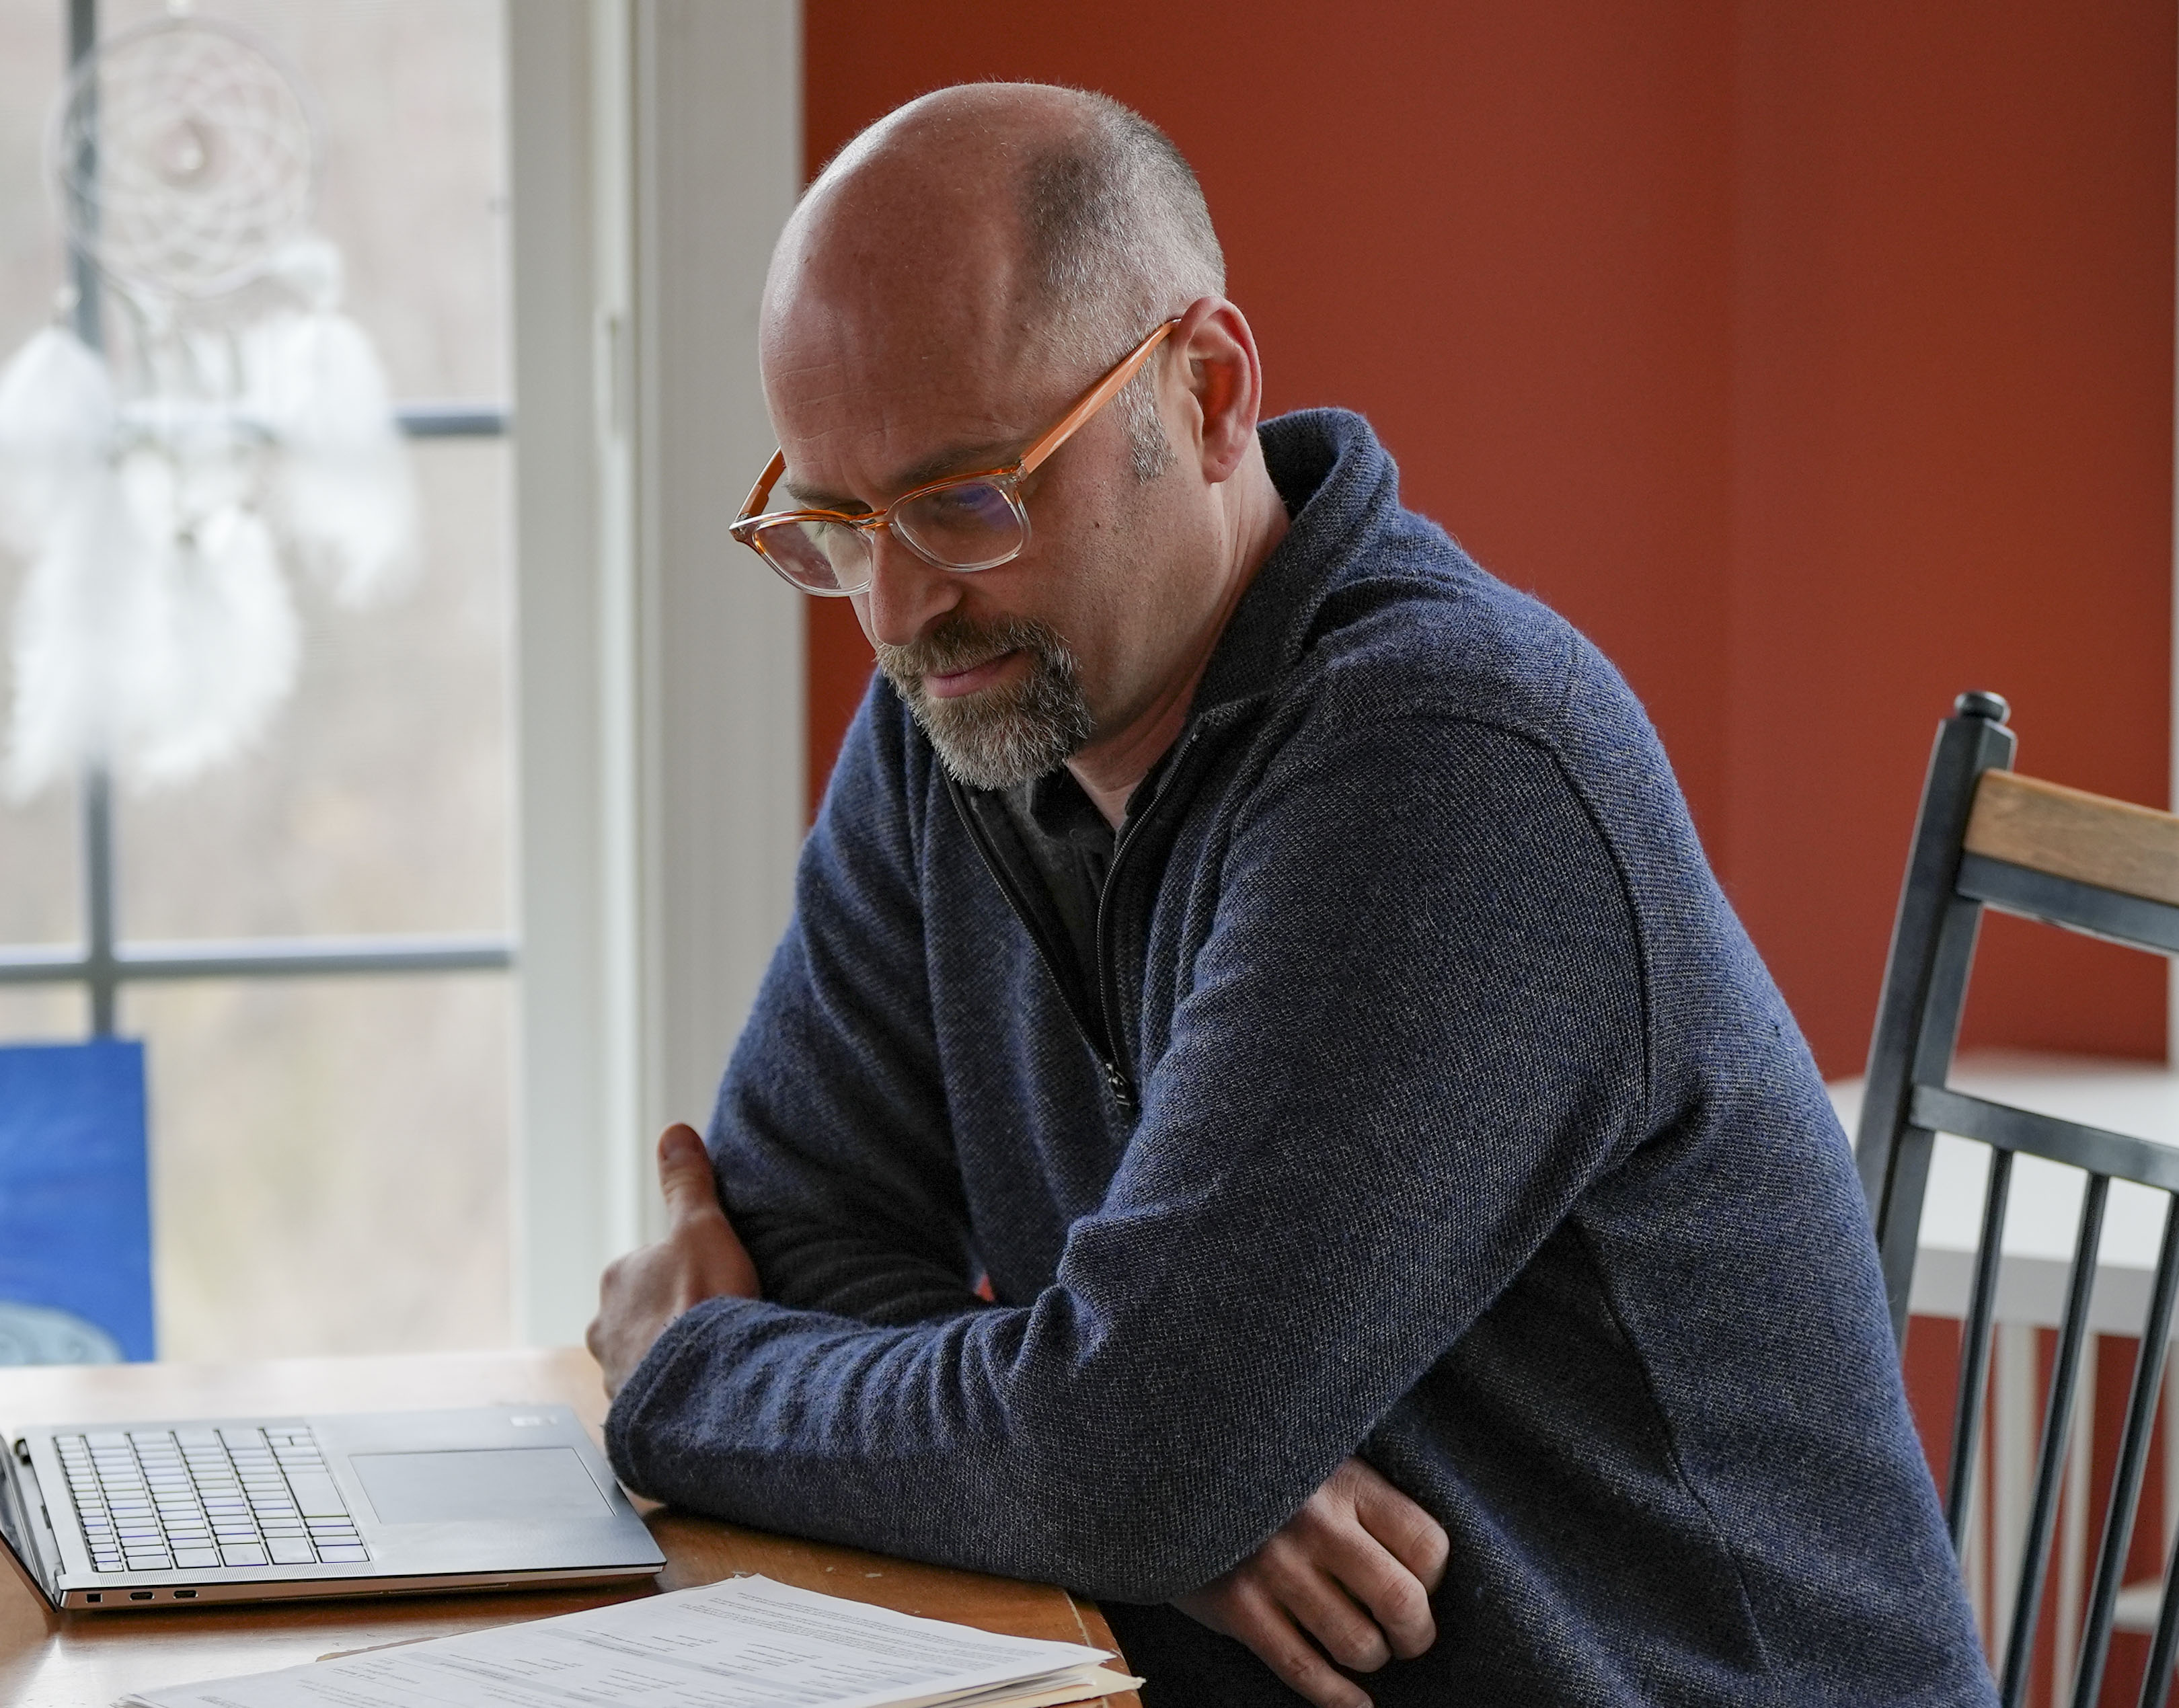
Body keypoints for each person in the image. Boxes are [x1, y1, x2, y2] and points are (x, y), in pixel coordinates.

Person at [587, 83, 1993, 1707]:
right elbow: (798, 1220)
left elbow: (1119, 1453)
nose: (894, 609)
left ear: (1205, 390)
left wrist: (694, 1372)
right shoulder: (962, 717)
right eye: (833, 525)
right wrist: (1139, 1479)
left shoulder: (1454, 768)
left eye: (970, 497)